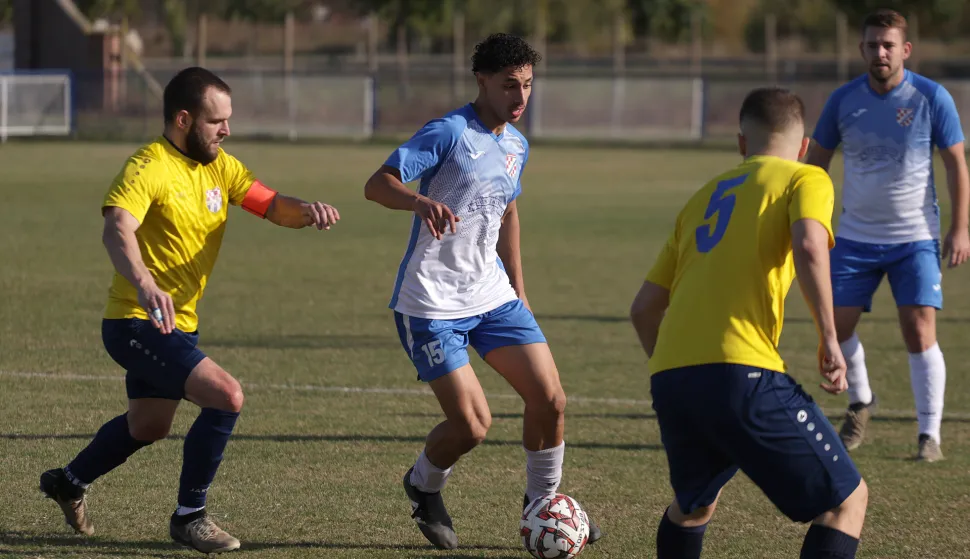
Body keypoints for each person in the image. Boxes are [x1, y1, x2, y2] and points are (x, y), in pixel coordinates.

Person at [39, 67, 340, 554]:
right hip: (133, 322)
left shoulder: (221, 166)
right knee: (227, 396)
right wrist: (143, 283)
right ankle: (190, 516)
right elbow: (117, 227)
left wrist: (307, 211)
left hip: (178, 325)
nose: (226, 130)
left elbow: (270, 203)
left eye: (227, 120)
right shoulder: (148, 166)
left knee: (148, 426)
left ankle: (68, 482)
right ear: (183, 119)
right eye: (216, 121)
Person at [363, 33, 601, 550]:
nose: (520, 97)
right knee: (472, 426)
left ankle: (543, 506)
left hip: (493, 295)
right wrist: (418, 203)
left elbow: (508, 210)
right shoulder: (448, 132)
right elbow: (377, 184)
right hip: (431, 302)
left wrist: (519, 289)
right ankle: (423, 485)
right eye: (509, 85)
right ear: (482, 82)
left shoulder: (517, 144)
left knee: (551, 400)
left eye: (529, 85)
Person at [630, 87, 868, 559]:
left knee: (693, 506)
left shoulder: (701, 197)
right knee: (846, 502)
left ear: (742, 143)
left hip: (672, 378)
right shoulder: (806, 178)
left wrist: (680, 372)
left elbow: (643, 310)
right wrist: (829, 338)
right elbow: (808, 247)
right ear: (803, 148)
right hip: (743, 373)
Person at [806, 9, 970, 462]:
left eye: (888, 45)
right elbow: (815, 163)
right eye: (873, 44)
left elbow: (956, 164)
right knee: (834, 332)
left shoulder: (931, 97)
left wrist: (960, 227)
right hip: (854, 238)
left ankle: (928, 435)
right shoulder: (843, 100)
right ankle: (861, 401)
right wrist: (800, 219)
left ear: (905, 50)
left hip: (915, 237)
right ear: (861, 49)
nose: (880, 52)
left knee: (919, 331)